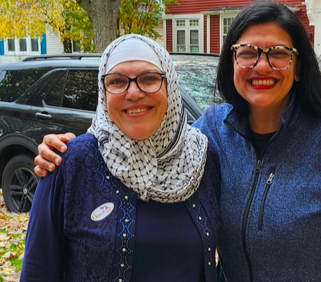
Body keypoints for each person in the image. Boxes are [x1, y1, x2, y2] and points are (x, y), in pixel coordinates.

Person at [33, 0, 321, 282]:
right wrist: (65, 151)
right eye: (249, 53)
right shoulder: (212, 135)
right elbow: (146, 134)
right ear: (232, 61)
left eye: (279, 54)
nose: (262, 66)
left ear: (299, 66)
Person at [21, 34, 221, 282]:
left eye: (149, 79)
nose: (134, 93)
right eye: (117, 81)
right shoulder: (69, 164)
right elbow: (38, 272)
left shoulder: (201, 159)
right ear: (103, 93)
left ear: (170, 84)